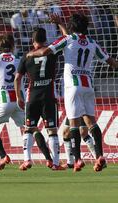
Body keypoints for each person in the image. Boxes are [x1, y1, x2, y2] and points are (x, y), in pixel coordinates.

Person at [27, 13, 118, 172]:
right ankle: (99, 156)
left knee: (74, 124)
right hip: (88, 85)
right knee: (91, 122)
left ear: (72, 26)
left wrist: (30, 54)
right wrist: (60, 23)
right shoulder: (92, 42)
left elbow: (45, 52)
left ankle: (77, 160)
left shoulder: (67, 40)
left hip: (72, 86)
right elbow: (112, 62)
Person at [15, 27, 64, 171]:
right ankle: (55, 163)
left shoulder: (27, 56)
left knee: (29, 129)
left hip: (32, 97)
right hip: (48, 97)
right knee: (52, 131)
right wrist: (60, 25)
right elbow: (66, 39)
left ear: (32, 40)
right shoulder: (51, 52)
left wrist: (19, 96)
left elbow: (18, 78)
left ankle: (27, 160)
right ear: (45, 39)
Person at [0, 34, 24, 170]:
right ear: (13, 45)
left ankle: (3, 156)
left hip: (4, 102)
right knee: (30, 129)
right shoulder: (20, 59)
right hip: (20, 101)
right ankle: (42, 159)